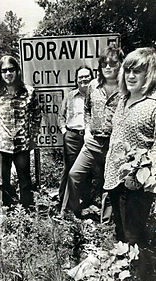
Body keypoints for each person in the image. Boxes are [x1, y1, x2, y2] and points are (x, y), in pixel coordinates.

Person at [61, 45, 124, 220]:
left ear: (120, 64)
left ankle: (106, 225)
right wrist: (88, 129)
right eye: (104, 63)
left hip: (114, 144)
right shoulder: (93, 85)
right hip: (93, 141)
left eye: (113, 63)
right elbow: (87, 108)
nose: (108, 67)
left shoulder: (126, 87)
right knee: (74, 175)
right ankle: (75, 215)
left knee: (109, 184)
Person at [104, 47, 156, 245]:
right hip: (114, 179)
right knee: (120, 234)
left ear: (149, 74)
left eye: (137, 71)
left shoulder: (153, 104)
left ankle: (138, 275)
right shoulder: (122, 100)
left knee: (134, 238)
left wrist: (139, 176)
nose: (131, 76)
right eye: (127, 70)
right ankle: (122, 272)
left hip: (137, 185)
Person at [0, 55, 41, 209]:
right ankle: (5, 214)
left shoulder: (29, 92)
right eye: (4, 70)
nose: (8, 73)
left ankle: (26, 213)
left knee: (25, 182)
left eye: (11, 69)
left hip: (22, 146)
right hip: (2, 145)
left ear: (17, 71)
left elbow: (37, 115)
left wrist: (33, 137)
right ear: (0, 73)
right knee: (2, 182)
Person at [58, 65, 93, 207]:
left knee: (88, 170)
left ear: (91, 78)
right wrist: (64, 131)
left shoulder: (96, 95)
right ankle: (65, 203)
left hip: (90, 136)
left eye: (86, 76)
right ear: (76, 80)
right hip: (72, 136)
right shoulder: (70, 96)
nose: (84, 79)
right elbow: (61, 115)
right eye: (80, 77)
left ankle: (85, 201)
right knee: (70, 170)